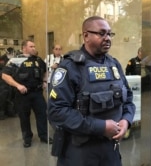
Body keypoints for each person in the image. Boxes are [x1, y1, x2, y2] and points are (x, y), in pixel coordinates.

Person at [48, 16, 136, 166]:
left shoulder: (113, 64)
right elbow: (57, 111)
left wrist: (126, 120)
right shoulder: (70, 67)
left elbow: (128, 99)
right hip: (80, 153)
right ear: (86, 36)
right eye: (101, 33)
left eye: (109, 34)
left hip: (110, 151)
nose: (107, 38)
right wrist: (101, 127)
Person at [1, 40, 53, 147]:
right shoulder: (15, 60)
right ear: (24, 48)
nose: (34, 48)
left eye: (34, 46)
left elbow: (46, 70)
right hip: (22, 94)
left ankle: (44, 136)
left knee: (42, 114)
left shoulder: (38, 60)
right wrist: (18, 85)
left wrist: (44, 81)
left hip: (37, 93)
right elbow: (5, 76)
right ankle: (27, 138)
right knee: (24, 117)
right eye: (31, 46)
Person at [0, 47, 15, 119]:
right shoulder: (2, 58)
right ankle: (2, 113)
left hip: (12, 79)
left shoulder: (14, 59)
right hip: (3, 80)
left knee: (11, 96)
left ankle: (11, 112)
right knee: (3, 97)